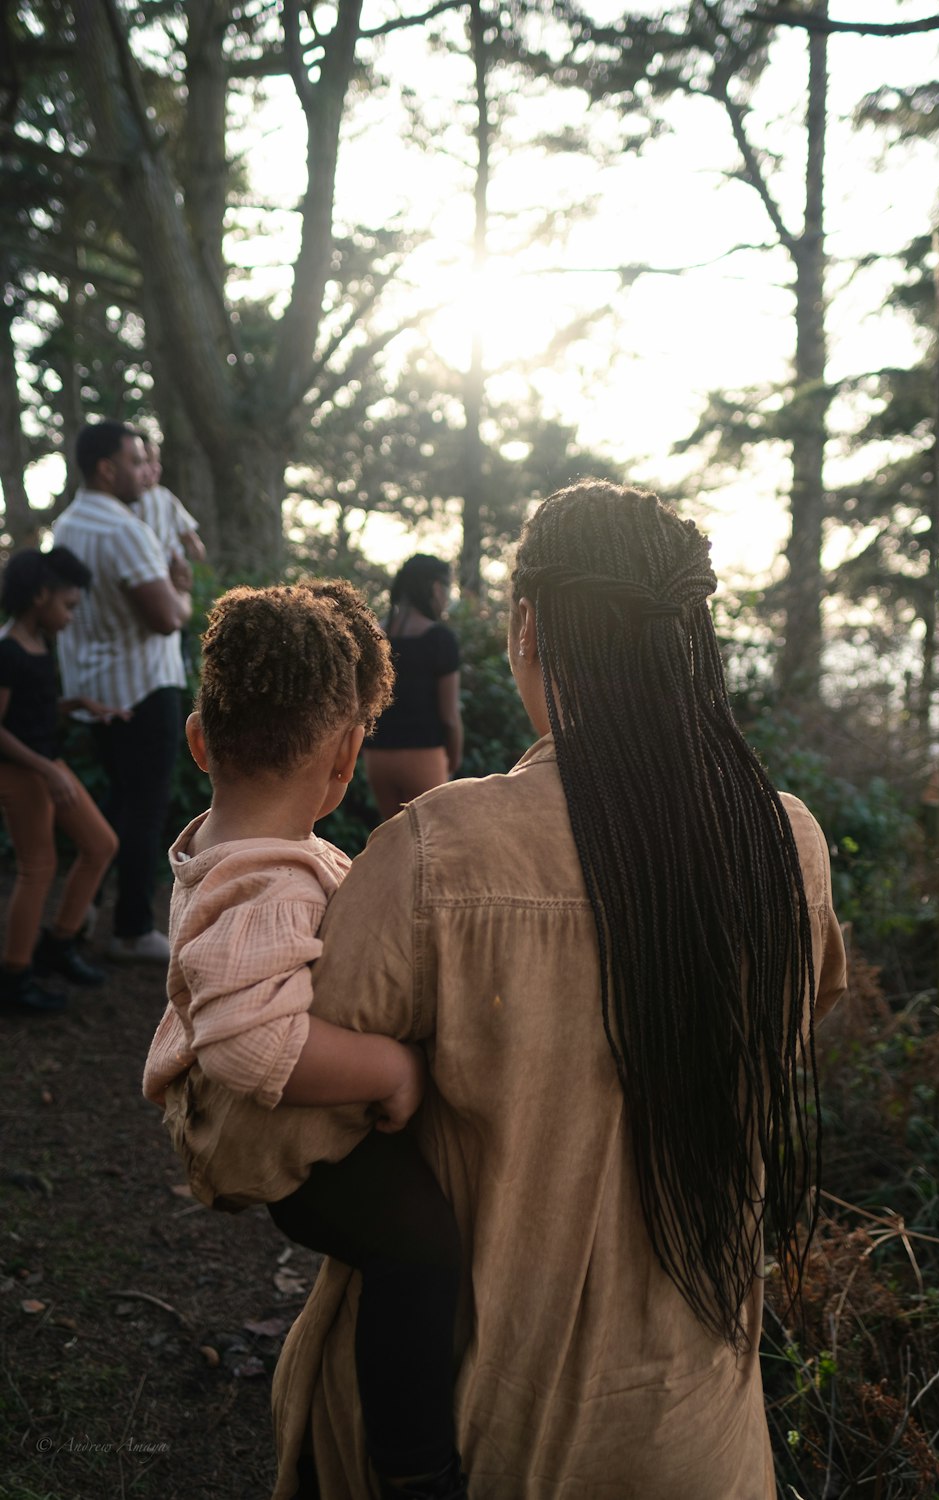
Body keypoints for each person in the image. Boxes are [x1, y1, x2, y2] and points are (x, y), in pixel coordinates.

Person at [247, 480, 848, 1499]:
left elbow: (258, 1133)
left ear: (527, 625)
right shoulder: (785, 841)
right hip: (697, 1443)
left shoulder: (438, 852)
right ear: (686, 637)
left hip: (468, 1442)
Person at [142, 582, 468, 1500]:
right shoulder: (269, 882)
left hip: (281, 1139)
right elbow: (252, 1043)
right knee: (421, 1252)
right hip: (302, 1166)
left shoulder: (229, 848)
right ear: (347, 755)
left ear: (200, 739)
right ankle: (414, 1466)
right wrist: (392, 1066)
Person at [53, 420, 192, 963]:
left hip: (91, 687)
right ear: (106, 469)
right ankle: (133, 927)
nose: (147, 472)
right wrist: (181, 593)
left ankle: (82, 903)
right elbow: (163, 618)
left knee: (114, 799)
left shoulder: (67, 526)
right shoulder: (123, 530)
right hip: (142, 686)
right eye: (137, 462)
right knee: (145, 808)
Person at [0, 548, 120, 1013]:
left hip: (45, 763)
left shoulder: (36, 642)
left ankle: (58, 944)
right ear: (40, 596)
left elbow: (30, 713)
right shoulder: (8, 649)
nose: (71, 616)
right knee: (38, 867)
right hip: (21, 771)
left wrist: (78, 705)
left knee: (101, 844)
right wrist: (45, 769)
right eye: (68, 606)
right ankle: (14, 974)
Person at [363, 555, 462, 821]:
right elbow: (450, 715)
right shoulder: (440, 639)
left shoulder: (375, 636)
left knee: (396, 843)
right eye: (448, 588)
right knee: (433, 846)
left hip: (377, 758)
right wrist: (453, 759)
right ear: (435, 587)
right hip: (424, 755)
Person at [135, 437, 207, 565]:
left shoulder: (164, 496)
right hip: (142, 563)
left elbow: (184, 527)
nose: (155, 467)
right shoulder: (129, 498)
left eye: (157, 461)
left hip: (169, 563)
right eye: (147, 461)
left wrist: (194, 542)